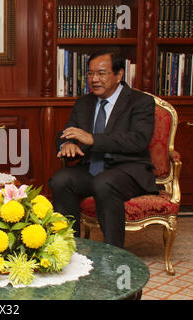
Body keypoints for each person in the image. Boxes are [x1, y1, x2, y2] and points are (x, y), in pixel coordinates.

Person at [48, 50, 158, 248]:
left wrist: (91, 139)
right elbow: (66, 131)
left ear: (119, 75)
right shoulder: (84, 103)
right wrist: (67, 144)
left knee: (104, 183)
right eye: (90, 74)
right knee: (61, 179)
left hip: (128, 170)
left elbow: (138, 140)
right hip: (92, 169)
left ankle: (113, 253)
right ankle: (68, 247)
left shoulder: (140, 102)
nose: (94, 79)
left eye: (101, 73)